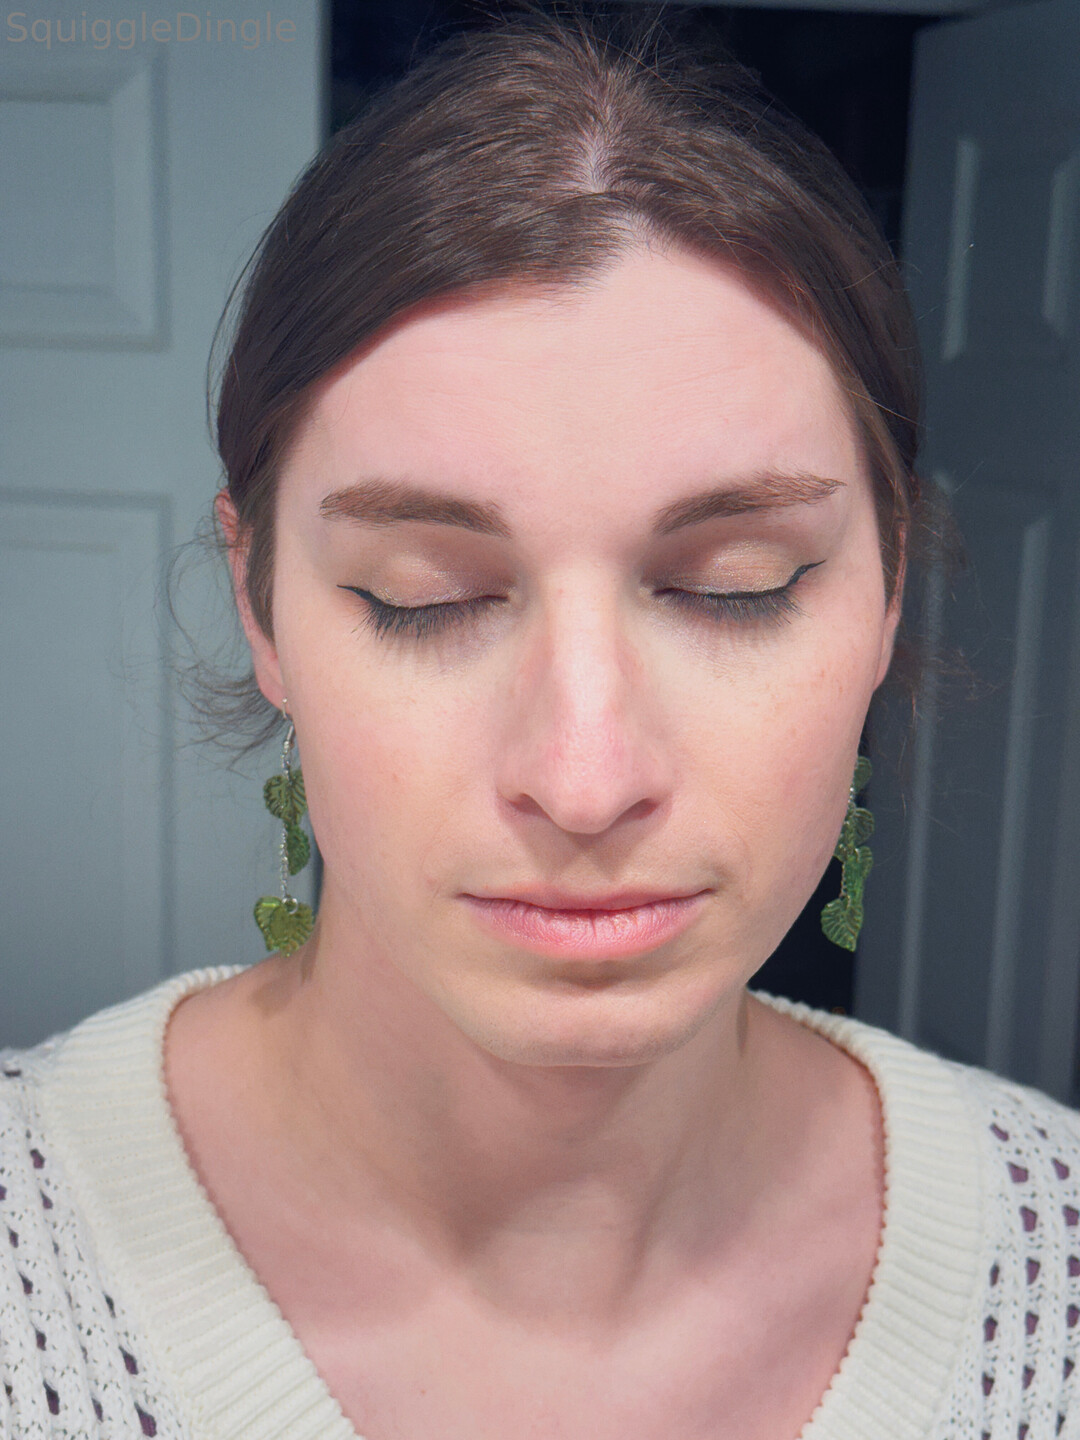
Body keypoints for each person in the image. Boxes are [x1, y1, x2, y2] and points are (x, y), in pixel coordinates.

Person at [3, 10, 1079, 1439]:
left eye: (735, 587)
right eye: (425, 598)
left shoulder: (1055, 1262)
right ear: (261, 608)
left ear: (886, 592)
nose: (584, 779)